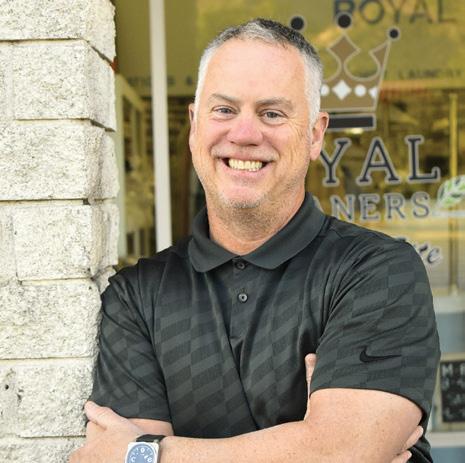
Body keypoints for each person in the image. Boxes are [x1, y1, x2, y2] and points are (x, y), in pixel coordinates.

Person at [70, 18, 440, 463]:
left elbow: (343, 452)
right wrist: (313, 445)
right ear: (194, 124)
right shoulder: (136, 298)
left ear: (315, 135)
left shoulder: (377, 272)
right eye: (224, 110)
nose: (244, 134)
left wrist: (149, 454)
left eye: (272, 113)